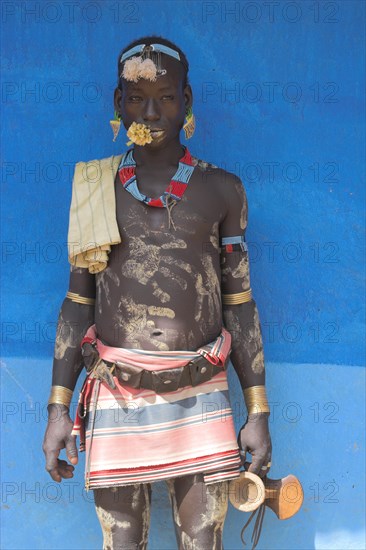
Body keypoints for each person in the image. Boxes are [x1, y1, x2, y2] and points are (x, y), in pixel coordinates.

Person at [43, 36, 272, 550]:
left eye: (166, 97)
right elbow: (78, 302)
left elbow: (240, 304)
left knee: (202, 539)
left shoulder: (222, 190)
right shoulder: (94, 187)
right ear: (117, 103)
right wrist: (58, 410)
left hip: (201, 393)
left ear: (186, 100)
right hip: (115, 393)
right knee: (121, 543)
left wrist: (258, 413)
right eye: (136, 98)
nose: (152, 111)